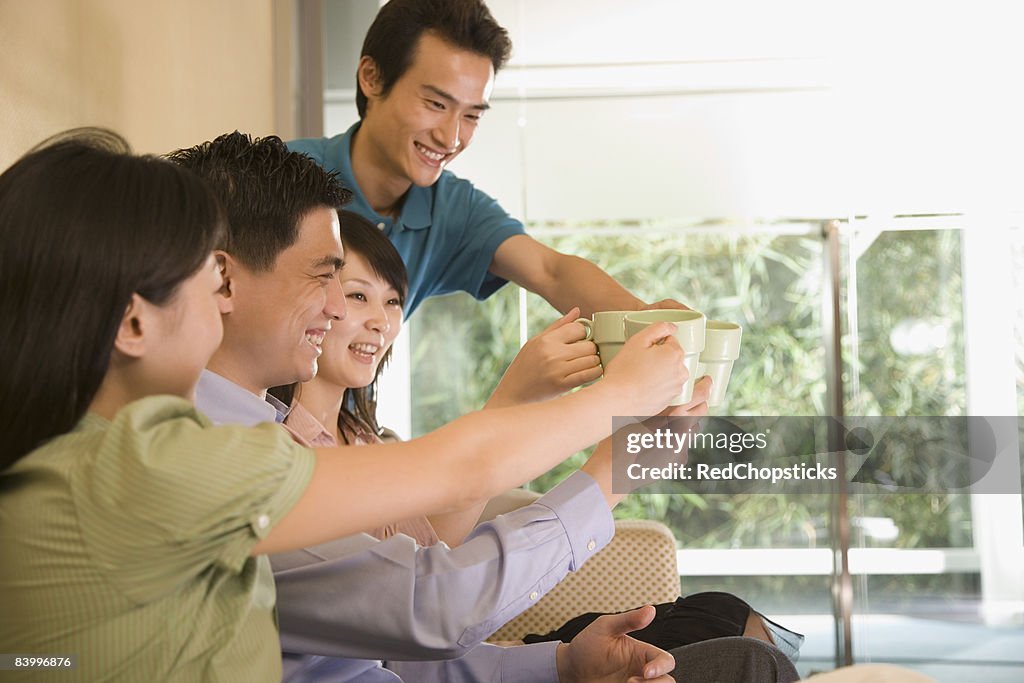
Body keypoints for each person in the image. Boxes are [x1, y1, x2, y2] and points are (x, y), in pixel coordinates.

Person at [0, 130, 681, 681]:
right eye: (205, 274)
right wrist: (622, 412)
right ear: (135, 323)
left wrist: (557, 663)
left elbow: (382, 639)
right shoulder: (148, 465)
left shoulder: (113, 455)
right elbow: (444, 513)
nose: (221, 290)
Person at [288, 0, 687, 328]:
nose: (450, 138)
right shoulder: (283, 175)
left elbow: (550, 270)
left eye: (471, 115)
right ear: (371, 78)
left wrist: (643, 320)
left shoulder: (452, 210)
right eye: (436, 104)